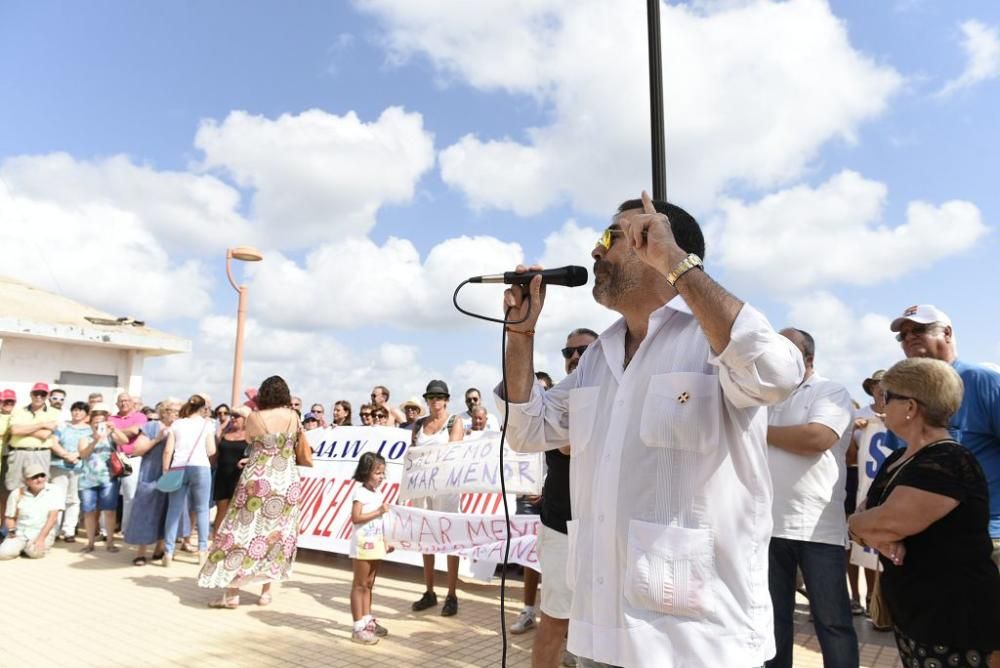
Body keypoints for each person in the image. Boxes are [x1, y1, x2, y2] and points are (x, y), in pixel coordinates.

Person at [497, 192, 803, 667]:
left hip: (694, 641)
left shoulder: (711, 338)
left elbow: (777, 373)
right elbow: (528, 429)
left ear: (657, 245)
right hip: (601, 630)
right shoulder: (599, 354)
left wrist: (678, 265)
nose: (595, 251)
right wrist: (520, 336)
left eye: (610, 237)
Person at [848, 358, 1000, 666]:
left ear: (910, 407)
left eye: (886, 397)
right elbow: (871, 521)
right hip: (913, 617)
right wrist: (870, 530)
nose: (879, 405)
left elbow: (883, 521)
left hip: (954, 625)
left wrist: (861, 525)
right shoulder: (898, 460)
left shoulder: (948, 461)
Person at [765, 328, 858, 668]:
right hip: (769, 527)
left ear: (809, 359)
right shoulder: (765, 397)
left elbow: (816, 438)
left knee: (832, 622)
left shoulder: (830, 391)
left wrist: (757, 431)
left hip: (817, 529)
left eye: (788, 350)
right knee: (773, 622)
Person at [888, 304, 1000, 571]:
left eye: (920, 329)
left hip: (985, 538)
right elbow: (897, 467)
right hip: (921, 541)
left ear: (947, 333)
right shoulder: (902, 396)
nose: (910, 337)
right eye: (903, 335)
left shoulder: (983, 381)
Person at [198, 375, 302, 608]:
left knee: (239, 532)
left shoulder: (254, 417)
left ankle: (233, 592)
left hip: (259, 478)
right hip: (286, 480)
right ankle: (266, 592)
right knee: (278, 535)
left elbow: (250, 439)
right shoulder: (293, 416)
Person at [528, 328, 597, 668]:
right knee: (555, 620)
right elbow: (571, 446)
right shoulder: (557, 399)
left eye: (583, 350)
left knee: (602, 623)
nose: (574, 357)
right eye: (567, 352)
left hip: (604, 528)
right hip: (562, 528)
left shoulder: (618, 393)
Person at [410, 379, 466, 616]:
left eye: (439, 397)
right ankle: (430, 590)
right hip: (423, 487)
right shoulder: (419, 425)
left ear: (446, 400)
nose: (435, 401)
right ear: (427, 400)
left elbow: (453, 452)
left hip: (446, 487)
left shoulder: (455, 422)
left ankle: (451, 594)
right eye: (432, 397)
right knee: (426, 538)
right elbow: (411, 454)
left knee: (450, 538)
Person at [125, 398, 183, 566]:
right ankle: (141, 551)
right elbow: (137, 450)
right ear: (164, 412)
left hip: (174, 473)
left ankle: (160, 548)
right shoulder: (151, 426)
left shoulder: (182, 428)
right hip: (151, 473)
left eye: (179, 412)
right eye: (173, 411)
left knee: (168, 509)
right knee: (145, 510)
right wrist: (157, 439)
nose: (176, 415)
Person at [161, 394, 215, 566]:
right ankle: (202, 550)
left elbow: (168, 451)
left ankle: (168, 552)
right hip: (200, 467)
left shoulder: (177, 424)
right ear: (202, 408)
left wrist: (165, 471)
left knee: (174, 510)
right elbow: (211, 450)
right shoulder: (208, 424)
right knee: (202, 510)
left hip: (178, 467)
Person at [849, 370, 886, 616]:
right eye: (877, 384)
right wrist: (854, 430)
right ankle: (859, 597)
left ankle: (880, 602)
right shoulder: (860, 415)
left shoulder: (903, 410)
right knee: (858, 543)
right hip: (860, 485)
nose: (881, 389)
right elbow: (849, 456)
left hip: (891, 488)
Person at [350, 451, 392, 645]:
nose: (381, 477)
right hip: (363, 544)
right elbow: (356, 518)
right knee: (359, 584)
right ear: (366, 472)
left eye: (382, 473)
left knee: (369, 584)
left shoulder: (378, 493)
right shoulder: (360, 493)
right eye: (377, 473)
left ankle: (367, 619)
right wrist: (378, 511)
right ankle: (358, 626)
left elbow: (382, 521)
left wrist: (386, 541)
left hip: (376, 543)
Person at [77, 402, 120, 553]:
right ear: (90, 423)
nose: (98, 425)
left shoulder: (111, 437)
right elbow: (83, 454)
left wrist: (114, 429)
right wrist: (95, 439)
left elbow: (125, 442)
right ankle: (90, 543)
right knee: (89, 511)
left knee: (109, 511)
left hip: (109, 479)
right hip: (88, 480)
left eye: (101, 422)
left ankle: (110, 542)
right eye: (95, 422)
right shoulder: (84, 438)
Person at [0, 464, 63, 559]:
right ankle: (20, 547)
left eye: (42, 475)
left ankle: (24, 548)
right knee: (3, 554)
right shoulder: (16, 493)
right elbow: (9, 517)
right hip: (20, 532)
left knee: (35, 553)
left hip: (41, 532)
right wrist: (12, 532)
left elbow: (52, 518)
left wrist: (41, 538)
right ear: (26, 481)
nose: (40, 479)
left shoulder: (54, 491)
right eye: (35, 477)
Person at [6, 382, 60, 493]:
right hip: (18, 453)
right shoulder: (19, 411)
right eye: (36, 394)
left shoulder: (54, 412)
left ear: (47, 396)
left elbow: (44, 435)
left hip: (40, 453)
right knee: (15, 489)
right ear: (31, 394)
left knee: (39, 488)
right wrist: (41, 425)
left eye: (42, 394)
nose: (39, 397)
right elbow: (15, 430)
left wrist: (23, 429)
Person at [108, 392, 148, 535]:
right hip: (113, 459)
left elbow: (134, 430)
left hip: (131, 459)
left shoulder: (140, 416)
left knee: (129, 496)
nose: (124, 403)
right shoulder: (110, 418)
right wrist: (123, 432)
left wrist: (114, 431)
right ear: (117, 403)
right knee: (109, 495)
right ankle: (105, 530)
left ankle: (126, 529)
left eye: (127, 400)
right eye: (121, 401)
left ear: (132, 403)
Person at [50, 401, 89, 542]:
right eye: (75, 410)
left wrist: (77, 456)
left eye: (81, 410)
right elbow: (53, 442)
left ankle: (69, 530)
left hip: (78, 467)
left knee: (73, 499)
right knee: (57, 498)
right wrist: (66, 455)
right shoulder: (63, 426)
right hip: (59, 465)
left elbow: (89, 447)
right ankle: (53, 530)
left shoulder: (89, 430)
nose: (77, 413)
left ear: (86, 413)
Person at [212, 405, 250, 539]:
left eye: (237, 416)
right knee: (221, 511)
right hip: (222, 476)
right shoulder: (225, 433)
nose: (233, 418)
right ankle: (216, 542)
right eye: (232, 415)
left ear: (246, 419)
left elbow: (258, 453)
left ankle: (232, 542)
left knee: (236, 512)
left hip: (239, 477)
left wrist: (247, 459)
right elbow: (215, 453)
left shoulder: (251, 436)